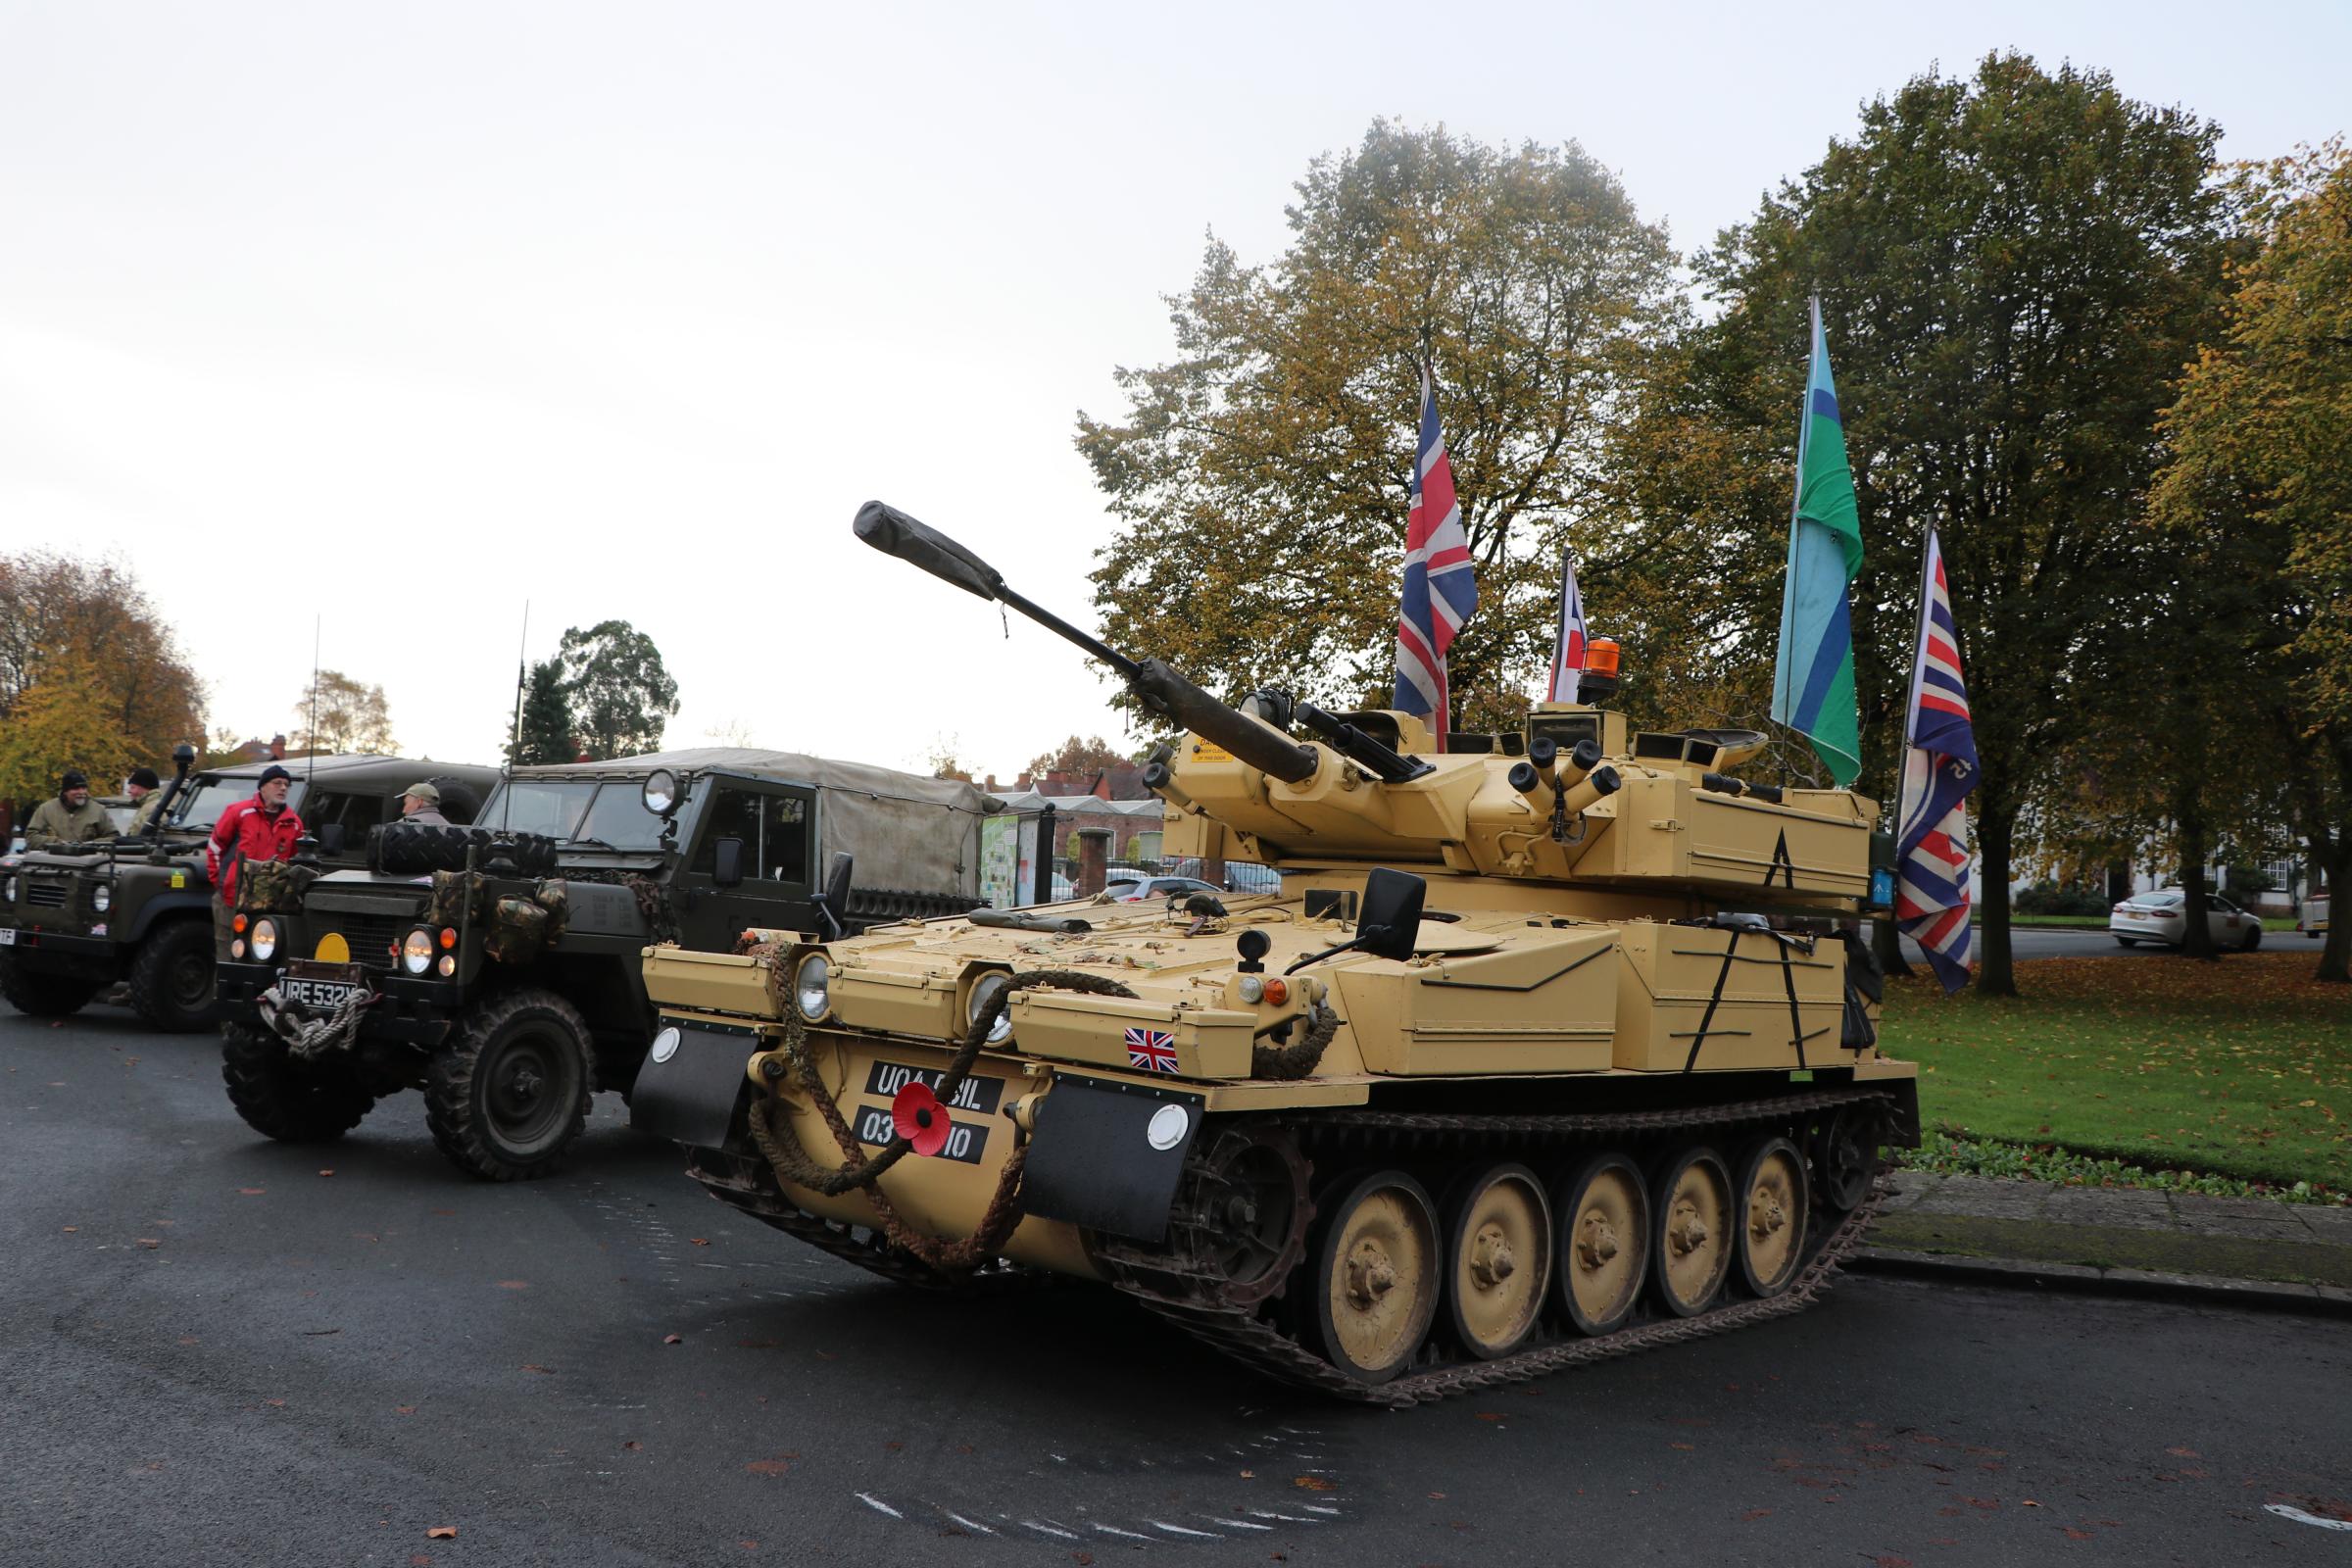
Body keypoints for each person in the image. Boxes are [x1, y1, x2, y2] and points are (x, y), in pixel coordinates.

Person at [208, 765, 303, 958]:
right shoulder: (239, 812)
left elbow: (295, 863)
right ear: (263, 787)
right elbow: (215, 847)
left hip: (270, 905)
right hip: (231, 901)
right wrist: (222, 884)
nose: (283, 788)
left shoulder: (294, 823)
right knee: (227, 959)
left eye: (286, 785)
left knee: (265, 960)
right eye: (277, 783)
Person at [24, 771, 113, 848]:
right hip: (53, 862)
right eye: (76, 788)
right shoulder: (45, 810)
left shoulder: (98, 810)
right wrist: (57, 842)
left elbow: (113, 837)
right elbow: (31, 837)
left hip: (88, 863)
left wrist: (91, 844)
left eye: (84, 788)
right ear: (65, 791)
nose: (81, 792)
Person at [124, 766, 168, 831]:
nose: (129, 791)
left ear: (145, 788)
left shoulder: (152, 809)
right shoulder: (147, 807)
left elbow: (148, 839)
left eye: (132, 787)